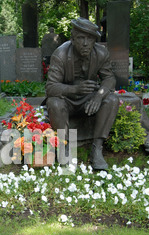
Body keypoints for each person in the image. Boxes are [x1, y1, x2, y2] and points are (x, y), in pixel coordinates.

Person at [45, 17, 119, 170]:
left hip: (89, 99)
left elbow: (109, 79)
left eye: (90, 38)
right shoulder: (60, 54)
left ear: (94, 41)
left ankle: (96, 149)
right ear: (73, 39)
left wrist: (99, 96)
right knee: (54, 102)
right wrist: (74, 89)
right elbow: (51, 87)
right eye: (80, 38)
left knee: (111, 99)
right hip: (67, 100)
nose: (85, 43)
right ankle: (65, 147)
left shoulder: (101, 53)